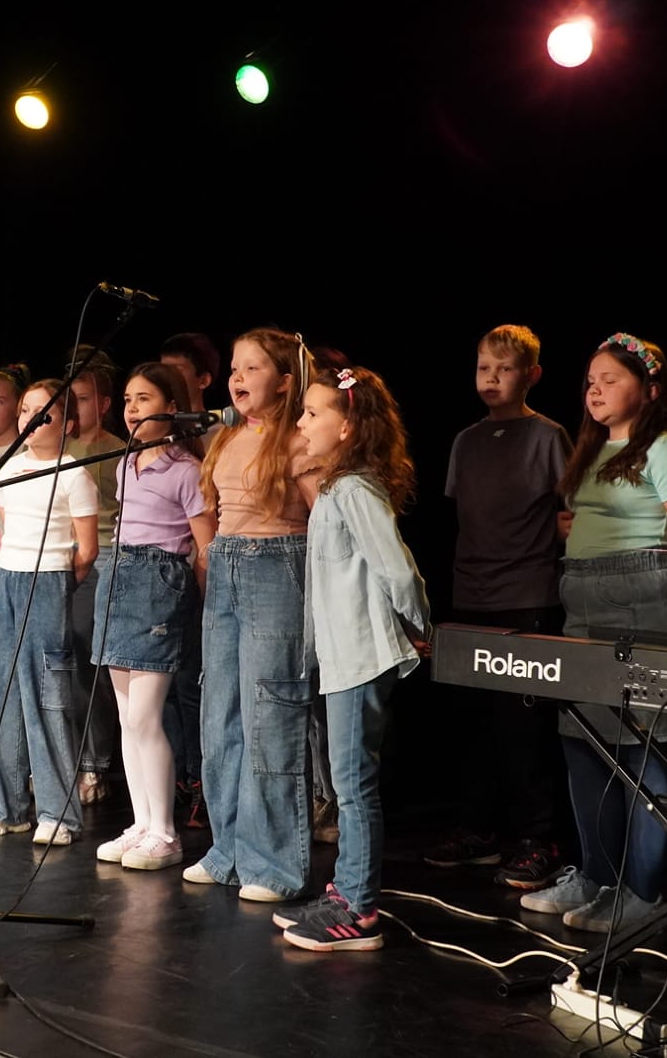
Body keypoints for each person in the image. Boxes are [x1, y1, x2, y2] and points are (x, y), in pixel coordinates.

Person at [519, 333, 667, 933]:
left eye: (610, 380)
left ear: (650, 389)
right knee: (583, 743)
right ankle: (597, 876)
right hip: (583, 602)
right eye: (590, 381)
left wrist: (655, 579)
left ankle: (643, 891)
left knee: (642, 750)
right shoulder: (592, 450)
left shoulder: (663, 449)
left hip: (641, 606)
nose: (595, 390)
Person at [280, 364, 432, 952]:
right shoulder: (336, 487)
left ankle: (359, 911)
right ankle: (346, 890)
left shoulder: (354, 489)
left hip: (363, 656)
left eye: (313, 412)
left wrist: (418, 624)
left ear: (347, 427)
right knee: (347, 781)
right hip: (343, 655)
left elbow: (398, 569)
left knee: (353, 785)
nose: (302, 422)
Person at [424, 325, 573, 888]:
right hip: (471, 596)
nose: (491, 378)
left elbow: (569, 511)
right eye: (484, 367)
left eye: (504, 369)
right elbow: (468, 516)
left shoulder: (548, 436)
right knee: (473, 725)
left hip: (526, 596)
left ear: (531, 375)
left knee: (523, 728)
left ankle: (537, 838)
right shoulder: (466, 440)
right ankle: (477, 831)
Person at [183, 329, 317, 902]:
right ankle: (229, 850)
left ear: (285, 382)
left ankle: (273, 864)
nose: (237, 378)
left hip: (276, 566)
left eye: (252, 368)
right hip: (227, 568)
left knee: (270, 714)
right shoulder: (228, 436)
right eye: (234, 368)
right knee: (220, 716)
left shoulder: (299, 441)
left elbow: (325, 519)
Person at [91, 363, 215, 871]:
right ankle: (142, 824)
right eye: (127, 399)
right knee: (126, 718)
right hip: (119, 576)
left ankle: (165, 831)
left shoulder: (186, 469)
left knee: (146, 715)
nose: (132, 408)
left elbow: (205, 547)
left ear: (172, 407)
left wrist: (199, 604)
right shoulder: (127, 463)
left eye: (143, 399)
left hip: (159, 585)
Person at [0, 379, 98, 845]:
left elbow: (86, 550)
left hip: (47, 581)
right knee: (2, 690)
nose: (30, 419)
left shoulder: (74, 474)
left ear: (66, 425)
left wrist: (56, 585)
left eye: (42, 413)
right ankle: (5, 806)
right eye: (26, 410)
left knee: (47, 695)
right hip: (9, 578)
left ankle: (58, 813)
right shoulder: (10, 468)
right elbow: (6, 528)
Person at [157, 331, 223, 827]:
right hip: (165, 575)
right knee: (167, 686)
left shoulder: (218, 433)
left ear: (202, 379)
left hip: (206, 566)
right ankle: (178, 777)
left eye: (178, 375)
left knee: (196, 685)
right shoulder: (159, 436)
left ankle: (204, 782)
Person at [64, 351, 125, 804]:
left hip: (100, 556)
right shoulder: (58, 449)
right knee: (59, 661)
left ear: (103, 404)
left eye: (83, 399)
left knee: (89, 660)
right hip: (57, 556)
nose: (75, 408)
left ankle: (95, 763)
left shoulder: (116, 449)